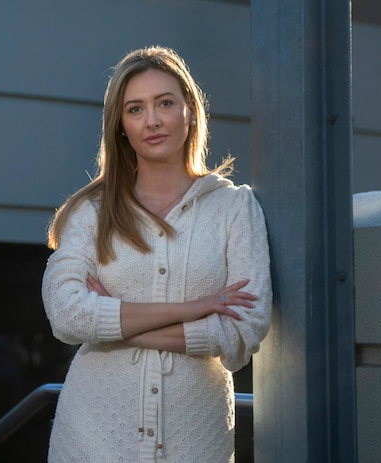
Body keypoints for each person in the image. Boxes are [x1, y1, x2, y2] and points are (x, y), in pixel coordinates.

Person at [41, 46, 272, 462]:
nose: (152, 120)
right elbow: (67, 314)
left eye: (165, 103)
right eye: (135, 109)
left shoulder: (235, 207)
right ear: (120, 126)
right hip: (93, 437)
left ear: (190, 111)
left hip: (196, 438)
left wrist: (116, 321)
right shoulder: (91, 212)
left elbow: (244, 328)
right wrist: (198, 307)